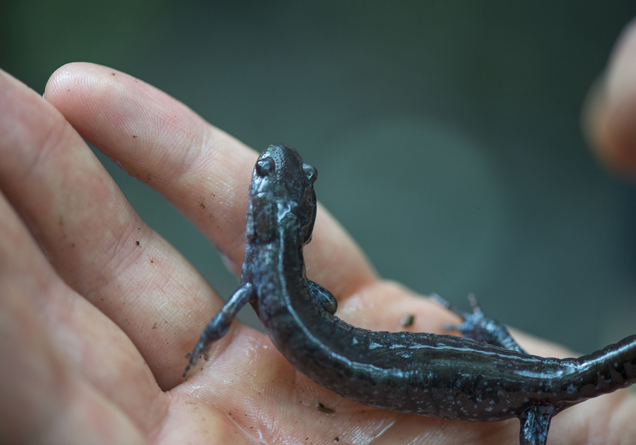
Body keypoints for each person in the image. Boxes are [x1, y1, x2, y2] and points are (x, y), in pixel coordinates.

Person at [1, 20, 635, 445]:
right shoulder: (278, 287)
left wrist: (208, 342)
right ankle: (484, 335)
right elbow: (319, 305)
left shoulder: (262, 283)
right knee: (521, 364)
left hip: (523, 392)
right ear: (292, 227)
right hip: (516, 377)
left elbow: (281, 312)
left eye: (270, 177)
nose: (276, 168)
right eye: (276, 177)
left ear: (260, 224)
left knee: (533, 377)